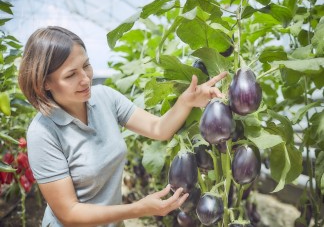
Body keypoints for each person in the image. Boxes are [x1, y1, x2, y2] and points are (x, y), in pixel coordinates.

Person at [18, 26, 227, 227]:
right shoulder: (43, 133)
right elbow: (69, 214)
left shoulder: (104, 97)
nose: (85, 79)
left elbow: (158, 129)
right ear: (44, 82)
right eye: (71, 75)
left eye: (86, 66)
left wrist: (186, 101)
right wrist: (139, 209)